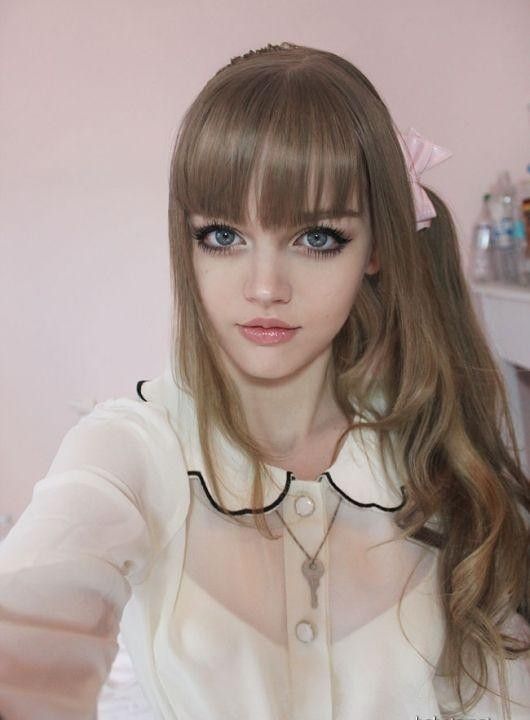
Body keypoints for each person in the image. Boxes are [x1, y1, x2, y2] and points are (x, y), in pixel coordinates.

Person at [0, 41, 528, 720]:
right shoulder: (130, 449)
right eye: (223, 236)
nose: (265, 287)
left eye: (317, 238)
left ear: (376, 248)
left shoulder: (432, 451)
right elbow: (31, 625)